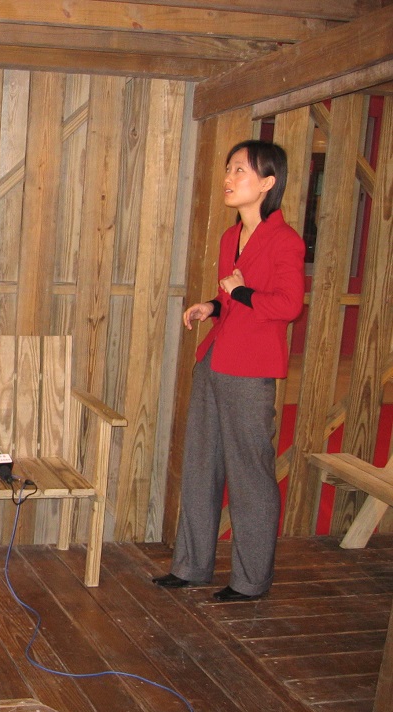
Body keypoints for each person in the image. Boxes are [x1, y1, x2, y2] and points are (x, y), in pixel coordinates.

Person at [153, 140, 305, 602]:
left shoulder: (286, 240)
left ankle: (249, 580)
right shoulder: (229, 236)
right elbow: (232, 297)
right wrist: (212, 306)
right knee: (200, 465)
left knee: (249, 475)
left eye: (240, 170)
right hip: (214, 360)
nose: (229, 177)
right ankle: (191, 566)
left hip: (251, 370)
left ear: (268, 182)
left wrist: (238, 294)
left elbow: (289, 305)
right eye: (229, 169)